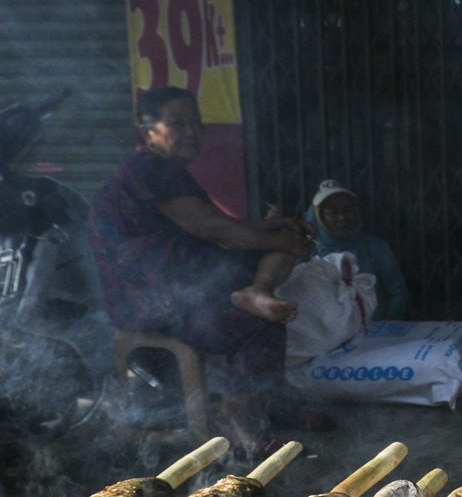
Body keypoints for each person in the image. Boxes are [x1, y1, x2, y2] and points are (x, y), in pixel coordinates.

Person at [89, 85, 315, 454]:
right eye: (178, 123)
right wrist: (284, 241)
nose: (191, 131)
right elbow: (213, 228)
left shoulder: (154, 171)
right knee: (261, 324)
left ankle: (256, 291)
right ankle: (235, 412)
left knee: (277, 245)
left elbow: (215, 222)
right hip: (160, 301)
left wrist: (277, 226)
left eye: (196, 122)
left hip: (168, 290)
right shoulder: (151, 169)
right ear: (149, 131)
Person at [304, 179, 411, 321]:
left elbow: (398, 293)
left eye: (348, 210)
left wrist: (387, 324)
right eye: (333, 212)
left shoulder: (376, 247)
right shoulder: (306, 252)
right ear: (319, 216)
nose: (342, 217)